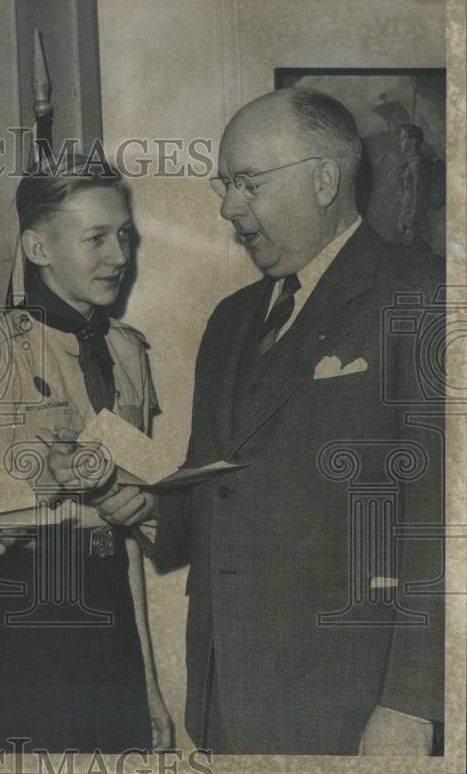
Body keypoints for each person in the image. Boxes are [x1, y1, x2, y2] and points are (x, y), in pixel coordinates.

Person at [97, 88, 445, 755]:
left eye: (247, 184)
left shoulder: (422, 295)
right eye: (224, 185)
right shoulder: (230, 320)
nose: (228, 208)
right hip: (228, 694)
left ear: (324, 180)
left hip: (355, 708)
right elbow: (216, 483)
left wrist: (411, 707)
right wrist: (139, 502)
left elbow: (443, 525)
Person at [0, 155, 173, 753]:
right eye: (96, 237)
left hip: (110, 617)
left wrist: (146, 681)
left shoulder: (127, 353)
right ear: (38, 248)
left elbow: (127, 538)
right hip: (28, 625)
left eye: (124, 234)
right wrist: (50, 486)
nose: (120, 255)